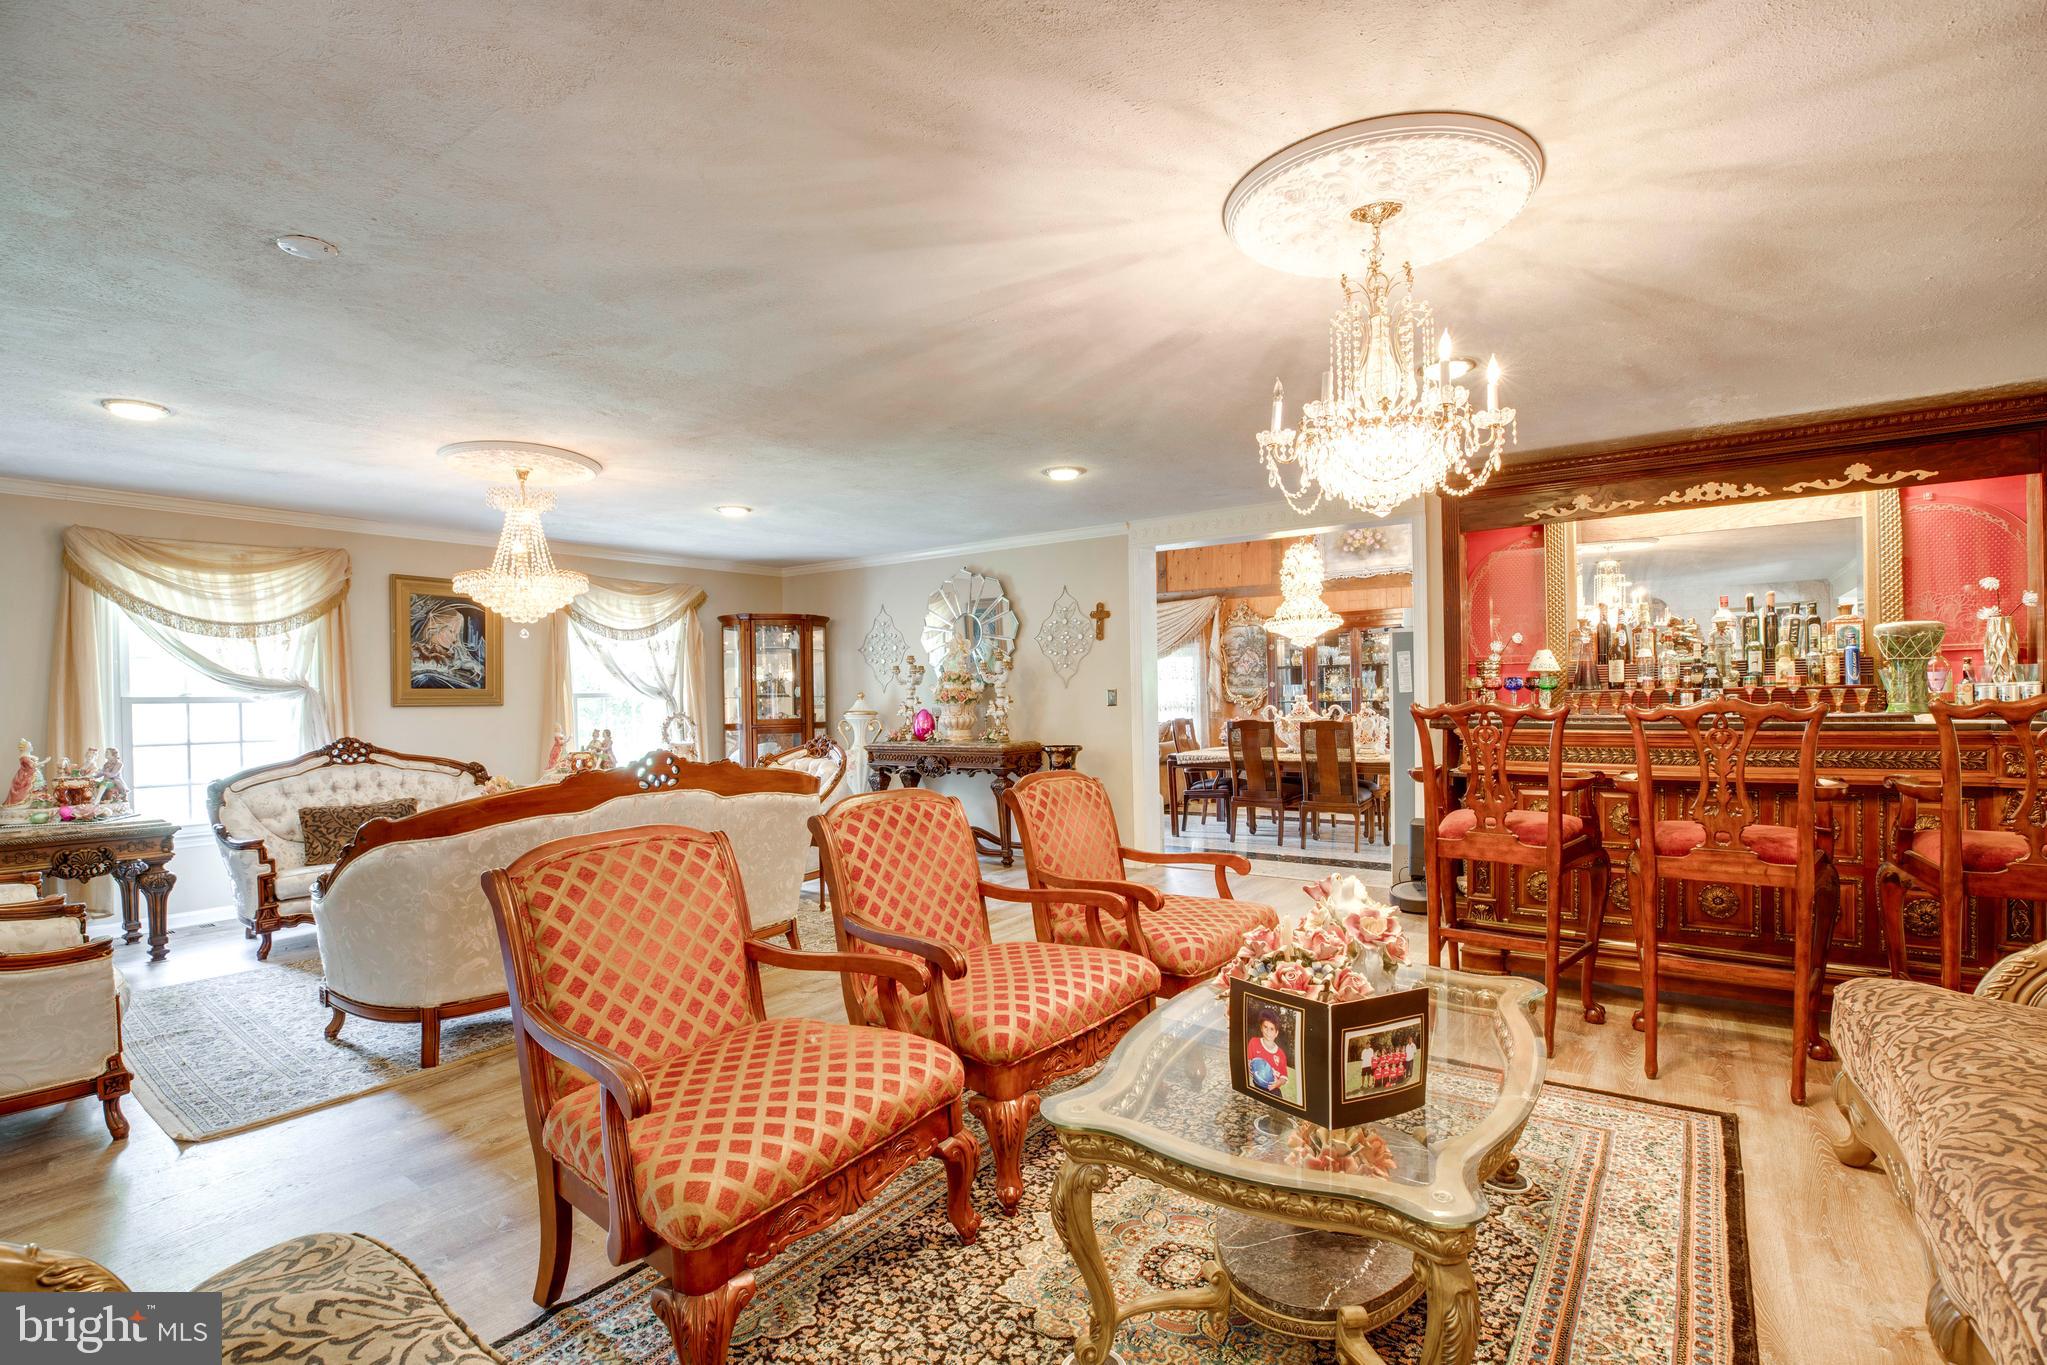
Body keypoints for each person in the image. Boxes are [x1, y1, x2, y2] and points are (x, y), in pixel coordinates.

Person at [411, 601, 486, 690]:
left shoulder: (455, 656)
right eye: (451, 631)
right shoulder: (417, 652)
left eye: (457, 633)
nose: (455, 639)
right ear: (434, 629)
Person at [1246, 1009, 1289, 1094]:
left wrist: (1278, 1083)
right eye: (1265, 1027)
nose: (1268, 1031)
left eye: (1272, 1029)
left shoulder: (1281, 1054)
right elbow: (1247, 1061)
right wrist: (1248, 1066)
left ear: (1276, 1033)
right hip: (1257, 1084)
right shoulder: (1254, 1042)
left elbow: (1284, 1077)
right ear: (1261, 1028)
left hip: (1273, 1089)